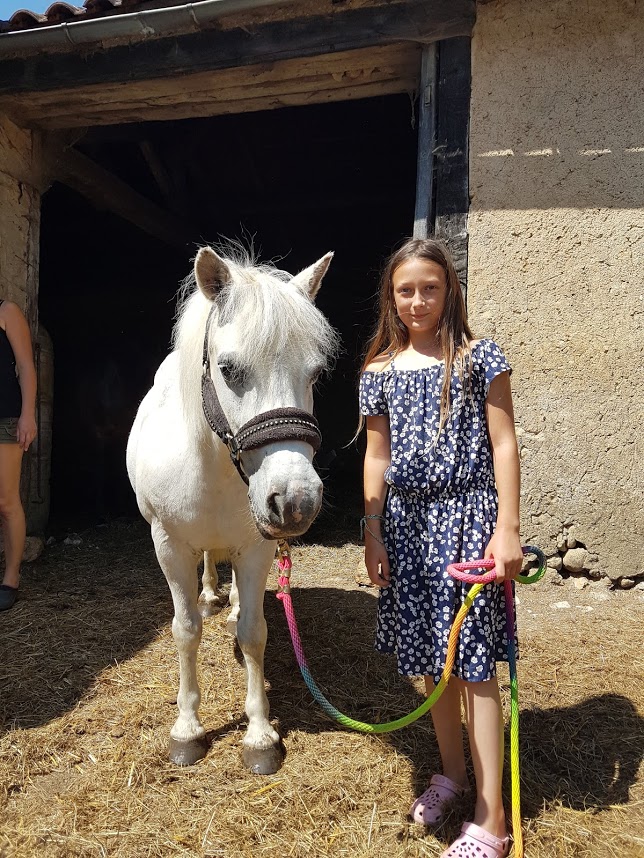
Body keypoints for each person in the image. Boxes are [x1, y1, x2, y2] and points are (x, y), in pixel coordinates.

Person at [359, 238, 522, 858]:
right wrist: (372, 531)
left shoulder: (481, 358)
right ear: (391, 298)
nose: (418, 300)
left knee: (476, 668)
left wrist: (506, 527)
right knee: (431, 661)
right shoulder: (377, 372)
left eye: (429, 287)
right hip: (405, 526)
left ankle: (491, 819)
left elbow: (503, 445)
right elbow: (377, 457)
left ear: (448, 289)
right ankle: (451, 776)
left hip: (469, 520)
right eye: (406, 290)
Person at [0, 299, 37, 611]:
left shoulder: (6, 312)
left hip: (5, 419)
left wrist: (28, 415)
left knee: (6, 501)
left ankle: (11, 578)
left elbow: (25, 365)